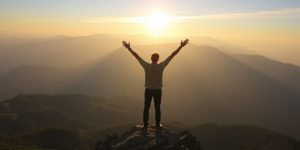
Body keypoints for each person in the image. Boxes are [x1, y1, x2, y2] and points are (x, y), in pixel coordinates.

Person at [122, 39, 189, 130]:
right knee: (157, 108)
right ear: (158, 59)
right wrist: (181, 46)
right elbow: (172, 56)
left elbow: (137, 56)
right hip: (158, 90)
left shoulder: (146, 66)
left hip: (148, 90)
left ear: (151, 58)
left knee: (146, 107)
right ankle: (157, 126)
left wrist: (129, 49)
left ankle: (145, 126)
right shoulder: (161, 66)